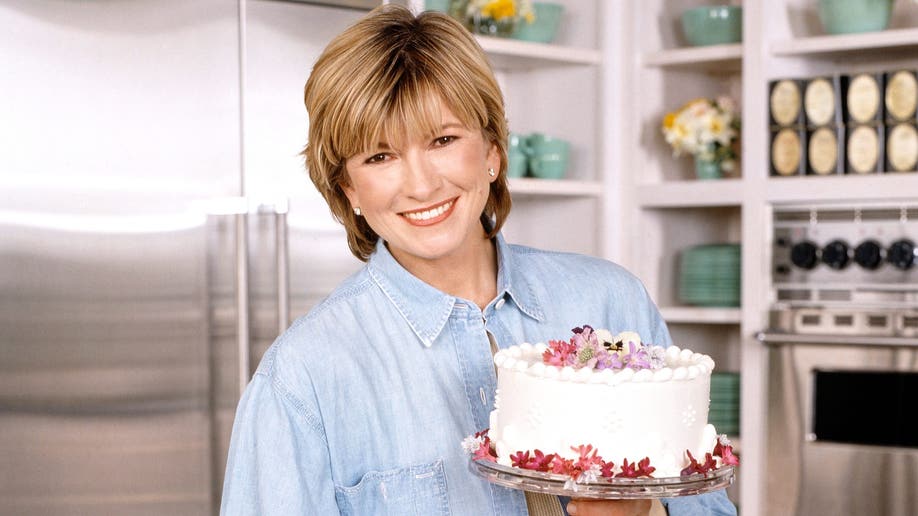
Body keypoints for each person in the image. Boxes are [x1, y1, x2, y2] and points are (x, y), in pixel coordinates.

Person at [220, 5, 737, 516]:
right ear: (347, 186)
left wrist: (644, 514)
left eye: (443, 140)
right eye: (380, 156)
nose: (421, 185)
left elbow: (707, 507)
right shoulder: (302, 379)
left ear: (492, 150)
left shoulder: (612, 301)